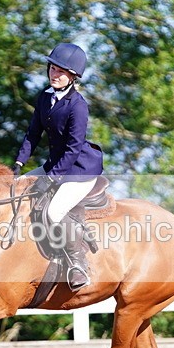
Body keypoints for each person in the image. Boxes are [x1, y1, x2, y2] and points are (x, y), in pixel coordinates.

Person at [13, 42, 103, 291]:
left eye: (61, 71)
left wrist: (51, 179)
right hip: (55, 165)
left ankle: (78, 264)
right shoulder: (45, 97)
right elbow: (33, 133)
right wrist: (19, 162)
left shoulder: (78, 106)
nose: (54, 74)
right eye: (52, 68)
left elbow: (73, 149)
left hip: (79, 170)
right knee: (16, 189)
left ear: (72, 76)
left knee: (54, 212)